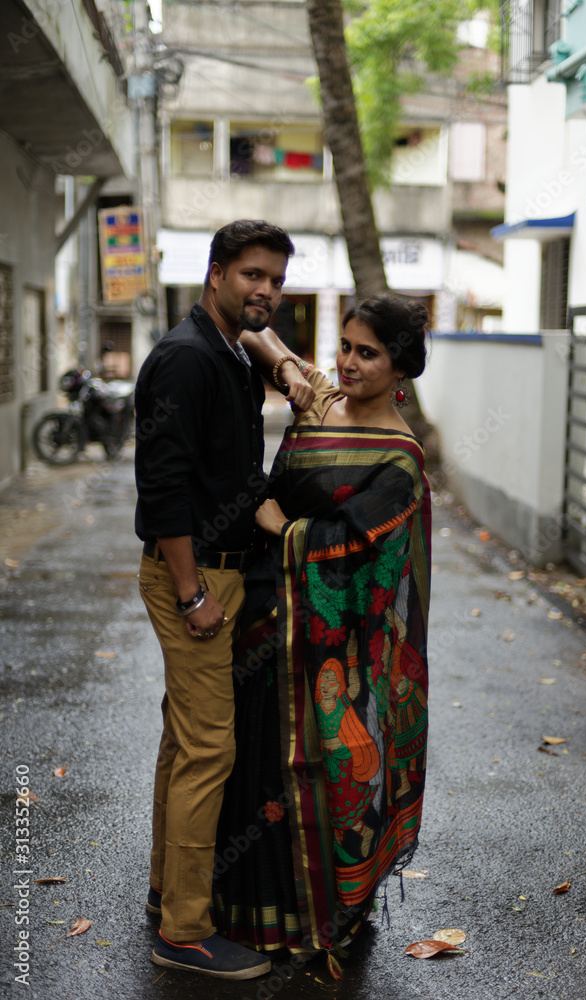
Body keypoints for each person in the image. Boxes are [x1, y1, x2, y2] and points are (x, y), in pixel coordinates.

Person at [212, 293, 431, 969]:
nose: (348, 360)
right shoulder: (321, 401)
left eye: (368, 352)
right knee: (248, 765)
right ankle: (240, 916)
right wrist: (286, 364)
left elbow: (360, 549)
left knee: (306, 775)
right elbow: (253, 330)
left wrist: (283, 528)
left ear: (400, 367)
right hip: (260, 624)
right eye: (344, 345)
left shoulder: (399, 459)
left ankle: (313, 921)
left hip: (330, 651)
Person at [134, 219, 314, 979]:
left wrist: (285, 365)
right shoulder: (184, 360)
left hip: (226, 569)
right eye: (250, 275)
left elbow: (262, 342)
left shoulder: (230, 348)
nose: (264, 289)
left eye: (274, 278)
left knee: (185, 741)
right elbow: (163, 488)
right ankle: (183, 932)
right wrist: (191, 593)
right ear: (215, 275)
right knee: (211, 747)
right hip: (195, 574)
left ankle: (163, 892)